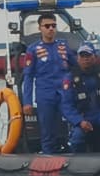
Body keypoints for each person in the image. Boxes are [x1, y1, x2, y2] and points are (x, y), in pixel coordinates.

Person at [20, 11, 72, 154]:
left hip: (65, 94)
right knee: (47, 130)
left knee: (73, 123)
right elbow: (28, 77)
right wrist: (27, 102)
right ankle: (49, 159)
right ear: (40, 28)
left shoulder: (63, 46)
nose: (51, 29)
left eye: (53, 26)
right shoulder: (33, 50)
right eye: (47, 26)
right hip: (45, 95)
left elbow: (75, 68)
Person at [60, 44, 100, 153]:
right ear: (78, 58)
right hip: (82, 116)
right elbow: (66, 106)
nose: (86, 59)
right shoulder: (70, 78)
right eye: (83, 56)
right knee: (77, 138)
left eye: (88, 56)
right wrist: (80, 122)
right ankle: (79, 164)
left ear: (94, 57)